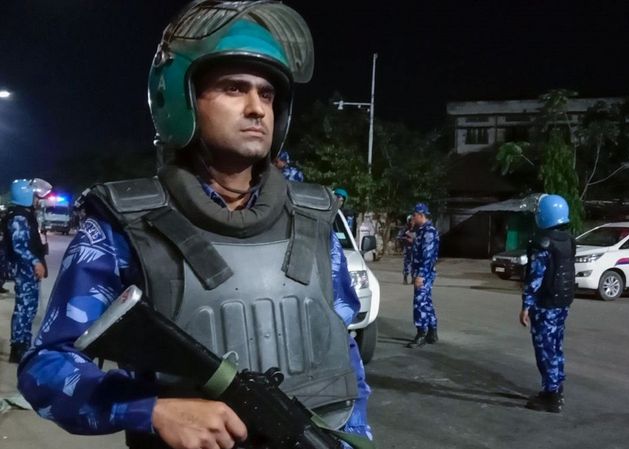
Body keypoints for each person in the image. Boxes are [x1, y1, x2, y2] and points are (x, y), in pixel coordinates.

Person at [17, 2, 372, 448]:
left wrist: (354, 436)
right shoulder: (125, 225)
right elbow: (46, 367)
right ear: (182, 100)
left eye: (267, 94)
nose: (257, 109)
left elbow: (344, 354)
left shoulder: (314, 217)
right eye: (234, 88)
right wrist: (153, 410)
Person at [519, 194, 575, 413]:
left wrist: (526, 305)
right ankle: (557, 386)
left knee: (545, 349)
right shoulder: (568, 240)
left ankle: (550, 395)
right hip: (562, 302)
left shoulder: (542, 243)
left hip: (545, 304)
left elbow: (535, 277)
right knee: (556, 346)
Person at [3, 178, 51, 363]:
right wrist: (35, 262)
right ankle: (17, 348)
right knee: (23, 309)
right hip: (24, 270)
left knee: (29, 309)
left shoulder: (26, 215)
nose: (37, 199)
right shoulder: (19, 218)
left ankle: (24, 344)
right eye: (34, 196)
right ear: (25, 196)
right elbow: (19, 247)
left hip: (28, 270)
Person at [406, 203, 440, 349]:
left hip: (424, 273)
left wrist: (420, 275)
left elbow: (428, 256)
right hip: (422, 272)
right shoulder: (421, 231)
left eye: (414, 215)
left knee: (419, 303)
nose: (412, 218)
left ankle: (421, 333)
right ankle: (432, 332)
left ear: (421, 215)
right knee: (426, 302)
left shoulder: (428, 232)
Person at [395, 215, 414, 284]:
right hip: (407, 247)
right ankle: (405, 278)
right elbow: (399, 237)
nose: (412, 222)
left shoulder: (416, 228)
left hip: (415, 248)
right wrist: (406, 238)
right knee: (407, 263)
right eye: (411, 220)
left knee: (414, 263)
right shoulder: (405, 228)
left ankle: (413, 278)